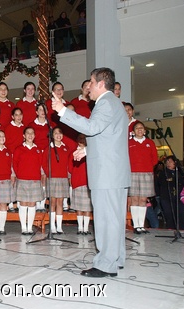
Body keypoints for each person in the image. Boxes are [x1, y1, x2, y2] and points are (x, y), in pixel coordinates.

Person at [51, 67, 130, 278]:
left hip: (107, 174)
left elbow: (92, 127)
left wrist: (63, 111)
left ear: (101, 84)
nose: (88, 89)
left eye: (91, 84)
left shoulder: (105, 102)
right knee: (114, 219)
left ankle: (106, 264)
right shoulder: (115, 103)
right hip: (113, 172)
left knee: (106, 219)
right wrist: (86, 149)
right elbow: (108, 136)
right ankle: (115, 259)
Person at [128, 122, 158, 234]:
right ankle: (136, 225)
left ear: (145, 131)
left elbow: (154, 159)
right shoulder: (129, 143)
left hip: (147, 173)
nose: (139, 130)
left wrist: (147, 167)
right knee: (134, 199)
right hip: (132, 173)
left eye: (141, 128)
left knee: (143, 200)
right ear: (133, 131)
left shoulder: (150, 143)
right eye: (137, 128)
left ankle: (141, 225)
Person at [13, 127, 44, 234]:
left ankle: (30, 227)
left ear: (34, 136)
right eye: (28, 133)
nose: (30, 135)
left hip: (35, 180)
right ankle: (23, 227)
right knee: (23, 203)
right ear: (24, 135)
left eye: (32, 133)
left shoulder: (38, 150)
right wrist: (20, 175)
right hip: (22, 180)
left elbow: (40, 164)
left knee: (32, 204)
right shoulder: (19, 149)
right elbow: (15, 164)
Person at [43, 127, 71, 234]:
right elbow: (44, 163)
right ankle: (52, 226)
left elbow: (68, 164)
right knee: (53, 202)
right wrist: (49, 173)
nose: (58, 135)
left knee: (60, 202)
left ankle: (59, 226)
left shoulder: (66, 148)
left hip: (63, 178)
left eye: (60, 133)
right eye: (55, 133)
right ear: (52, 136)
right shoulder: (48, 149)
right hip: (52, 178)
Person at [155, 156, 184, 230]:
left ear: (175, 162)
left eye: (170, 161)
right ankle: (171, 230)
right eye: (166, 162)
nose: (168, 163)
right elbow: (162, 183)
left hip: (179, 197)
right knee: (169, 215)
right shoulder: (163, 173)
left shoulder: (181, 172)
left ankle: (182, 230)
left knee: (181, 214)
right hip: (167, 197)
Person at [69, 134, 92, 234]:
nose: (83, 143)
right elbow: (70, 168)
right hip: (77, 182)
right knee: (79, 207)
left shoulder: (91, 152)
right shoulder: (73, 153)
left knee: (87, 207)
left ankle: (85, 228)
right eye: (81, 141)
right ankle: (80, 227)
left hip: (88, 182)